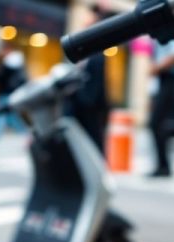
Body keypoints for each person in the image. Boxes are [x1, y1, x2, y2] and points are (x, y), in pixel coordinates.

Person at [64, 4, 110, 153]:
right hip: (79, 105)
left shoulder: (97, 54)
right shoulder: (81, 53)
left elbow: (96, 85)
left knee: (94, 143)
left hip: (91, 108)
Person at [148, 36, 174, 177]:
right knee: (158, 124)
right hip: (162, 80)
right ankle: (162, 166)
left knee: (157, 123)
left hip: (170, 80)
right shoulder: (161, 34)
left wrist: (156, 68)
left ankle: (164, 166)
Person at [0, 44, 27, 152]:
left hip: (6, 94)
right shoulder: (18, 62)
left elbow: (0, 77)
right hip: (12, 93)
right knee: (12, 117)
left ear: (7, 50)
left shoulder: (9, 62)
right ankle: (27, 135)